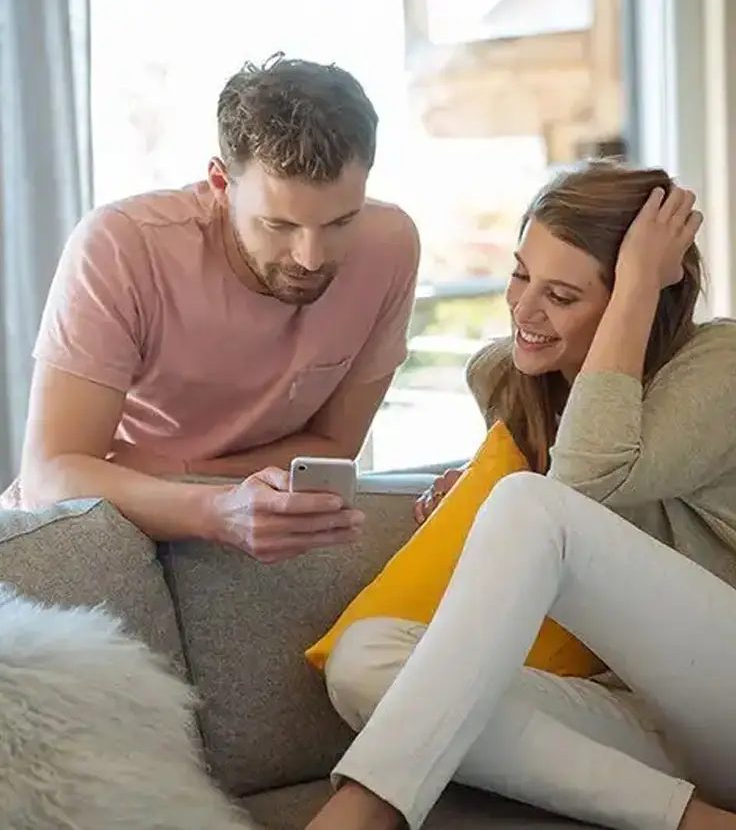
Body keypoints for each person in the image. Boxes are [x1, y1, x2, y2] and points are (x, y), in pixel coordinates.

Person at [305, 160, 736, 830]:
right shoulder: (512, 383)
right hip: (650, 724)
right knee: (366, 659)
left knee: (528, 502)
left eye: (562, 296)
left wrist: (638, 287)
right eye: (519, 273)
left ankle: (364, 807)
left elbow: (580, 488)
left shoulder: (720, 366)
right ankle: (692, 819)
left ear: (638, 295)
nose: (524, 310)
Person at [7, 55, 420, 564]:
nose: (311, 259)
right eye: (280, 226)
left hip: (235, 507)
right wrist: (216, 509)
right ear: (222, 184)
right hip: (90, 526)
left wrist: (173, 472)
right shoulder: (121, 246)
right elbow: (51, 474)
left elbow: (334, 446)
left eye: (340, 222)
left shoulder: (391, 246)